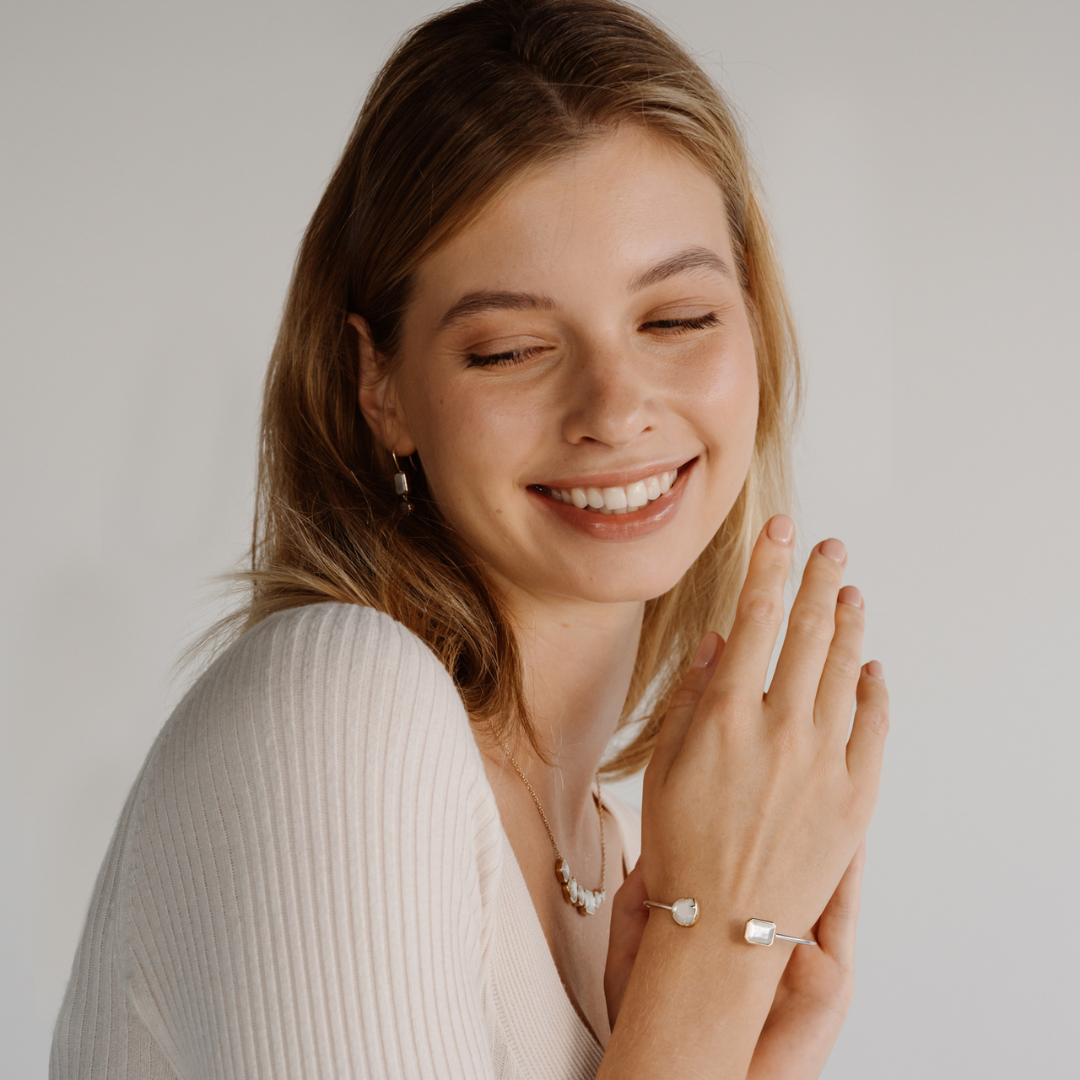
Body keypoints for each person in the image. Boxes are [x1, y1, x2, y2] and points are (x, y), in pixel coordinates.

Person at [51, 0, 888, 1076]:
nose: (615, 408)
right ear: (381, 385)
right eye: (510, 348)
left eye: (676, 319)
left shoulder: (613, 863)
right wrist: (714, 952)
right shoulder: (340, 712)